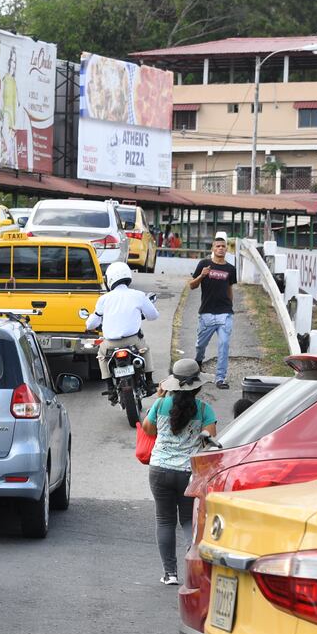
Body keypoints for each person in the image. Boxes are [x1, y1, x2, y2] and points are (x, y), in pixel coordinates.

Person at [142, 358, 217, 585]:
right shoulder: (205, 409)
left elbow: (148, 428)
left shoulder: (161, 404)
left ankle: (170, 574)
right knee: (187, 520)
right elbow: (210, 438)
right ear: (198, 385)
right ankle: (193, 560)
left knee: (164, 520)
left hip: (159, 469)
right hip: (187, 473)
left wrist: (160, 401)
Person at [86, 261, 158, 397]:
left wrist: (88, 325)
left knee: (101, 356)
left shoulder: (104, 299)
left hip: (110, 343)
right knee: (145, 350)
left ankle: (110, 388)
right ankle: (149, 382)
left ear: (110, 279)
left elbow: (91, 323)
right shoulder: (138, 295)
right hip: (133, 341)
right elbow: (153, 315)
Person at [190, 235, 237, 389]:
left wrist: (230, 306)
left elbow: (230, 288)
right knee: (200, 345)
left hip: (225, 313)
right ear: (212, 249)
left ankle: (220, 378)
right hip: (207, 313)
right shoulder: (204, 264)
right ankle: (198, 362)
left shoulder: (231, 269)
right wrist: (202, 275)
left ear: (226, 249)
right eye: (218, 246)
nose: (221, 249)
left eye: (223, 246)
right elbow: (192, 285)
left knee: (224, 344)